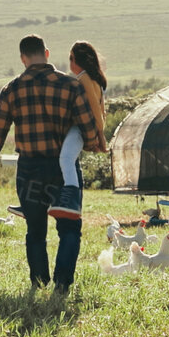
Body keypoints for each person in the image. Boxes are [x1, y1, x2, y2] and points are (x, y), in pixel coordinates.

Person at [0, 34, 102, 295]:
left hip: (29, 170)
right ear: (46, 54)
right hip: (63, 170)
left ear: (23, 58)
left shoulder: (11, 90)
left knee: (35, 230)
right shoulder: (70, 85)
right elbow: (88, 127)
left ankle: (39, 282)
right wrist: (90, 144)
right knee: (69, 228)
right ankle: (62, 284)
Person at [50, 41, 109, 221]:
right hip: (87, 127)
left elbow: (94, 108)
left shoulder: (83, 79)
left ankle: (71, 200)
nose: (69, 63)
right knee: (67, 160)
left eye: (71, 58)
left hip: (80, 127)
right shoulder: (94, 79)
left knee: (65, 159)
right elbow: (102, 109)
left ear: (77, 60)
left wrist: (99, 134)